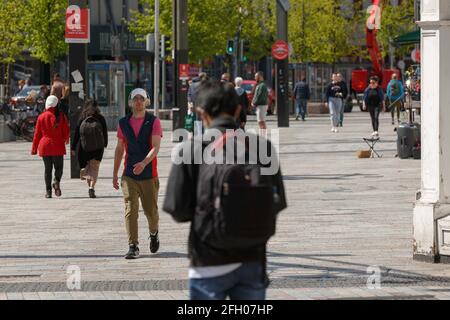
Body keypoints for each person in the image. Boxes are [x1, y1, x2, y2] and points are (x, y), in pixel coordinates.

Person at [163, 79, 287, 300]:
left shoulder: (190, 150)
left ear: (201, 113)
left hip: (208, 258)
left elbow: (177, 209)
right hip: (253, 256)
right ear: (238, 109)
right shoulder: (262, 147)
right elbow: (277, 202)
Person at [113, 88, 163, 260]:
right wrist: (114, 174)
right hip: (129, 175)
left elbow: (155, 147)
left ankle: (154, 232)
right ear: (131, 102)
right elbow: (119, 149)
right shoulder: (123, 123)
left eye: (142, 99)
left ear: (147, 101)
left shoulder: (154, 121)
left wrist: (144, 163)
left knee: (151, 212)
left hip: (149, 173)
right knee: (130, 209)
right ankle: (133, 246)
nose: (139, 102)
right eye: (136, 99)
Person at [31, 95, 70, 199]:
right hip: (58, 146)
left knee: (47, 170)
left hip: (45, 146)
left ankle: (48, 192)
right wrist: (65, 139)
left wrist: (34, 149)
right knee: (59, 168)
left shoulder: (41, 117)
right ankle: (56, 181)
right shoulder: (61, 116)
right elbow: (66, 132)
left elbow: (37, 134)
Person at [72, 100, 108, 199]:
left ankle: (86, 177)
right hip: (98, 148)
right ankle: (92, 187)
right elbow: (104, 132)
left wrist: (73, 147)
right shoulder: (100, 118)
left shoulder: (82, 118)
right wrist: (105, 144)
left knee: (88, 168)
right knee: (95, 168)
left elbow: (76, 134)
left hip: (84, 148)